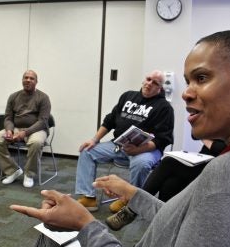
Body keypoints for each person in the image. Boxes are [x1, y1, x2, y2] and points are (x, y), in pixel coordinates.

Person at [10, 30, 230, 247]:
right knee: (89, 154)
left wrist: (85, 224)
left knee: (52, 239)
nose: (186, 92)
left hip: (143, 156)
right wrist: (134, 193)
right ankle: (90, 196)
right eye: (187, 81)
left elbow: (162, 140)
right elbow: (185, 222)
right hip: (117, 150)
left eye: (202, 78)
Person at [75, 70, 174, 212]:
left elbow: (162, 139)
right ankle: (89, 198)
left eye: (155, 83)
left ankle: (130, 202)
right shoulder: (128, 96)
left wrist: (138, 150)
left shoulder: (165, 108)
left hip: (146, 149)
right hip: (119, 145)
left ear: (160, 88)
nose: (149, 84)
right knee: (87, 151)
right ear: (144, 79)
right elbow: (109, 121)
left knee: (141, 164)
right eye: (148, 79)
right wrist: (94, 140)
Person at [105, 139, 226, 231]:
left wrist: (207, 138)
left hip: (219, 170)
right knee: (170, 184)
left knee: (169, 162)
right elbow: (195, 135)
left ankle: (131, 209)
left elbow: (221, 148)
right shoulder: (218, 117)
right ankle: (160, 233)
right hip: (200, 162)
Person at [0, 70, 51, 188]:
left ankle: (29, 174)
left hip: (37, 129)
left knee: (36, 142)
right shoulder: (13, 96)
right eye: (25, 78)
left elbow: (43, 121)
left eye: (31, 78)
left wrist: (25, 133)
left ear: (36, 82)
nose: (28, 80)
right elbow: (8, 117)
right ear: (22, 80)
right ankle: (13, 171)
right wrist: (9, 130)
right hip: (16, 128)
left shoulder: (43, 97)